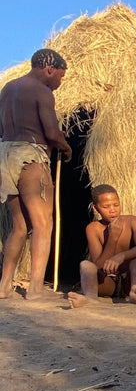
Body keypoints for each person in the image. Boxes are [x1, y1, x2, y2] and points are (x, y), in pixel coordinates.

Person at [0, 49, 72, 300]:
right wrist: (66, 147)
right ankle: (35, 289)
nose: (59, 84)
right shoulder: (42, 91)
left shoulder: (7, 88)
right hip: (31, 156)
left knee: (19, 226)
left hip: (5, 154)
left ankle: (4, 286)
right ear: (49, 69)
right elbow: (51, 133)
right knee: (43, 223)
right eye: (60, 78)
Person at [67, 185, 136, 308]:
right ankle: (90, 297)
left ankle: (134, 292)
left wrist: (122, 256)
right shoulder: (93, 229)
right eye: (106, 207)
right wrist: (112, 238)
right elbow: (98, 265)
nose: (112, 210)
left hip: (129, 278)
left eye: (116, 205)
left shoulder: (131, 221)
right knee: (85, 265)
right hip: (107, 282)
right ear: (96, 209)